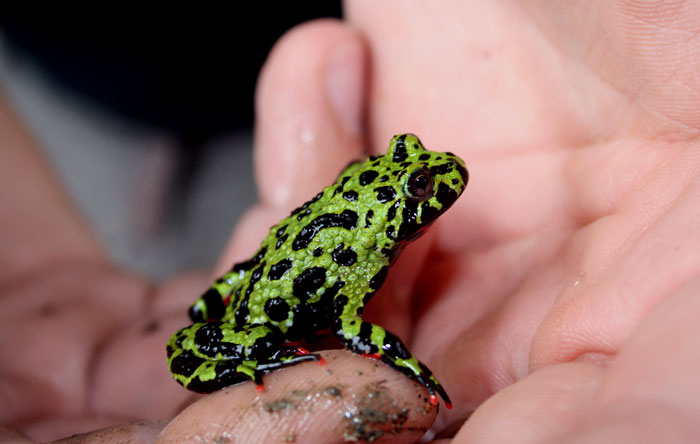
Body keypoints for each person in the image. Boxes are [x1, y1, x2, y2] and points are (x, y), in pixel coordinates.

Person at [2, 2, 700, 442]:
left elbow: (343, 309)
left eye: (419, 170)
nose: (442, 176)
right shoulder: (368, 246)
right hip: (260, 302)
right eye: (421, 181)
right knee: (205, 342)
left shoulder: (373, 220)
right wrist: (401, 359)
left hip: (271, 264)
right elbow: (350, 320)